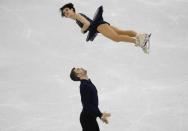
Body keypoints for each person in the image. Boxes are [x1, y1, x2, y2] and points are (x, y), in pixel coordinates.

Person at [60, 3, 150, 53]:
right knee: (120, 32)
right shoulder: (76, 18)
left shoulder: (77, 16)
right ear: (66, 17)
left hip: (98, 26)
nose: (66, 13)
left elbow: (87, 23)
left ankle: (141, 41)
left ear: (72, 9)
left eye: (67, 10)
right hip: (99, 25)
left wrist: (82, 30)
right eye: (64, 13)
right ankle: (141, 36)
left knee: (116, 38)